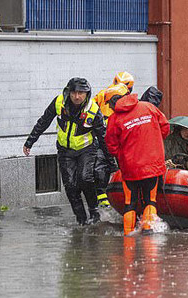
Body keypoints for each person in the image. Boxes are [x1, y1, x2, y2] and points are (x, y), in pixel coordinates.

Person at [23, 77, 113, 225]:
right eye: (74, 93)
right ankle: (82, 221)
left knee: (85, 179)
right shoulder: (59, 102)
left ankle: (94, 213)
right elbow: (44, 121)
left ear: (87, 94)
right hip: (65, 150)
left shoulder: (93, 110)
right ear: (68, 92)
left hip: (87, 149)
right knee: (70, 186)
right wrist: (30, 141)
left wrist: (111, 161)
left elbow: (102, 137)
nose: (77, 97)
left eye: (81, 93)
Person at [104, 84, 170, 235]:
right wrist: (154, 143)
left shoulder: (114, 119)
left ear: (114, 102)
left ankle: (128, 234)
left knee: (130, 201)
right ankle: (148, 230)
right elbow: (165, 128)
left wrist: (123, 155)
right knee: (150, 199)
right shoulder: (149, 108)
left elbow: (111, 145)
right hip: (152, 165)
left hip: (130, 168)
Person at [92, 71, 135, 208]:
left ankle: (105, 195)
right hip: (110, 134)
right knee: (106, 164)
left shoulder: (103, 93)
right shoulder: (122, 96)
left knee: (103, 164)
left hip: (110, 134)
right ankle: (107, 195)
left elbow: (91, 106)